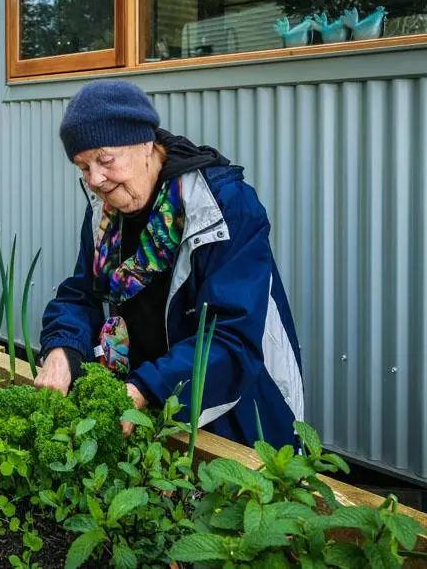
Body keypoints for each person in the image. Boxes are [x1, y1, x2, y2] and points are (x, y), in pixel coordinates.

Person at [33, 79, 305, 449]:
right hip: (153, 405)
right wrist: (63, 349)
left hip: (240, 414)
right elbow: (83, 294)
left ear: (146, 144)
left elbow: (231, 340)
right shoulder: (106, 214)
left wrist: (145, 387)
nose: (94, 179)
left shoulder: (221, 206)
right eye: (82, 166)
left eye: (104, 160)